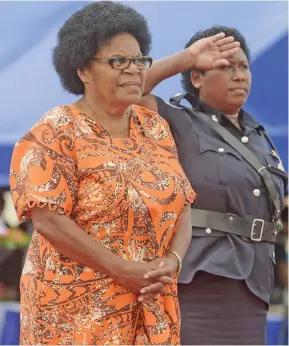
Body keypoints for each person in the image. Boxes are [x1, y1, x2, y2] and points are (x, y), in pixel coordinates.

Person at [9, 3, 239, 344]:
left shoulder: (155, 127)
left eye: (139, 60)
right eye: (118, 61)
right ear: (83, 70)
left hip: (150, 307)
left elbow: (182, 203)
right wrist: (121, 270)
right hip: (74, 317)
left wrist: (173, 261)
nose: (134, 70)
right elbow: (48, 220)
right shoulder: (55, 130)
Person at [140, 25, 288, 345]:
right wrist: (186, 58)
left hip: (254, 284)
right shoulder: (181, 121)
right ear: (197, 77)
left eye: (244, 67)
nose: (239, 75)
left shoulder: (259, 135)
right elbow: (125, 90)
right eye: (225, 67)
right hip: (202, 280)